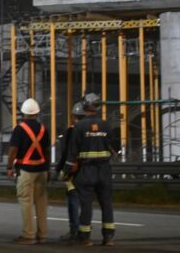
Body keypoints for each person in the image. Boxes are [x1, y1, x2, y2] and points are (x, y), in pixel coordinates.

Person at [64, 93, 116, 246]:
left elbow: (72, 152)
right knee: (106, 203)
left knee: (86, 204)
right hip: (104, 170)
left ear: (84, 106)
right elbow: (114, 147)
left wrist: (66, 172)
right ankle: (109, 237)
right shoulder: (106, 125)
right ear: (98, 106)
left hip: (86, 171)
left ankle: (85, 237)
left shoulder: (79, 126)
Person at [7, 98, 51, 245]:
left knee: (26, 202)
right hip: (42, 170)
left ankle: (29, 235)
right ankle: (43, 235)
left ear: (23, 113)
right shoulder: (44, 129)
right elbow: (47, 151)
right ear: (37, 113)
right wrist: (48, 168)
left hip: (26, 170)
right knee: (41, 203)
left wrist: (9, 167)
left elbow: (13, 150)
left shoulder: (19, 129)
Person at [54, 101, 86, 242]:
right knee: (86, 203)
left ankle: (74, 231)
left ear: (73, 116)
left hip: (73, 172)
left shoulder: (71, 132)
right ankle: (85, 232)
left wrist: (59, 170)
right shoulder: (91, 130)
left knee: (73, 201)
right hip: (89, 172)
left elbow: (66, 153)